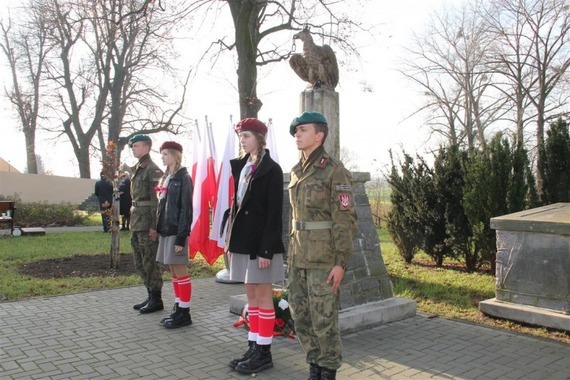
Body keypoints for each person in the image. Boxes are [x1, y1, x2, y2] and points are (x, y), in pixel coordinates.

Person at [287, 111, 357, 380]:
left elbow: (345, 219)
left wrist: (341, 263)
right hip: (298, 257)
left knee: (324, 318)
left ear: (320, 134)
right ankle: (314, 365)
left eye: (303, 130)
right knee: (301, 316)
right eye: (296, 130)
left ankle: (328, 369)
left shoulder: (334, 169)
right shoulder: (296, 170)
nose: (297, 134)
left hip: (324, 259)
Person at [226, 118, 285, 375]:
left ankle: (264, 351)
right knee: (251, 296)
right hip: (243, 241)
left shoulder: (271, 169)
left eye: (247, 136)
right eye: (241, 136)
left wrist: (266, 251)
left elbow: (274, 215)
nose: (242, 140)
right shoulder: (244, 166)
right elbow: (237, 207)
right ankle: (253, 346)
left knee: (263, 297)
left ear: (260, 138)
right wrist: (230, 241)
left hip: (261, 245)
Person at [155, 141, 194, 329]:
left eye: (165, 154)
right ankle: (178, 307)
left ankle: (185, 312)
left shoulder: (183, 177)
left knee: (181, 271)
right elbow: (162, 207)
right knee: (173, 271)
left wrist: (181, 236)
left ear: (175, 155)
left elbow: (186, 209)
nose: (162, 157)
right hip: (166, 230)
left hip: (176, 232)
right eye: (161, 154)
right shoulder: (167, 177)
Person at [128, 134, 164, 314]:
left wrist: (154, 226)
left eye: (136, 145)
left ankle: (157, 299)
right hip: (136, 221)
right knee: (139, 261)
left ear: (147, 147)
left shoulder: (153, 169)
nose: (133, 148)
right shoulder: (137, 168)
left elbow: (157, 200)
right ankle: (150, 294)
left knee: (150, 261)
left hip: (147, 222)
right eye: (132, 146)